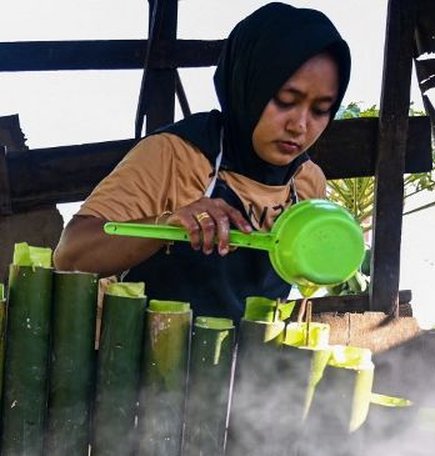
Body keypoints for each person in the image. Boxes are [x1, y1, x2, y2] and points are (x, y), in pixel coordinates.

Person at [53, 2, 351, 321]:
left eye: (320, 110)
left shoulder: (307, 182)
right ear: (247, 84)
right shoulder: (175, 155)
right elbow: (70, 255)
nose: (300, 125)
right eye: (286, 101)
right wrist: (165, 224)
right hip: (148, 361)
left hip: (251, 369)